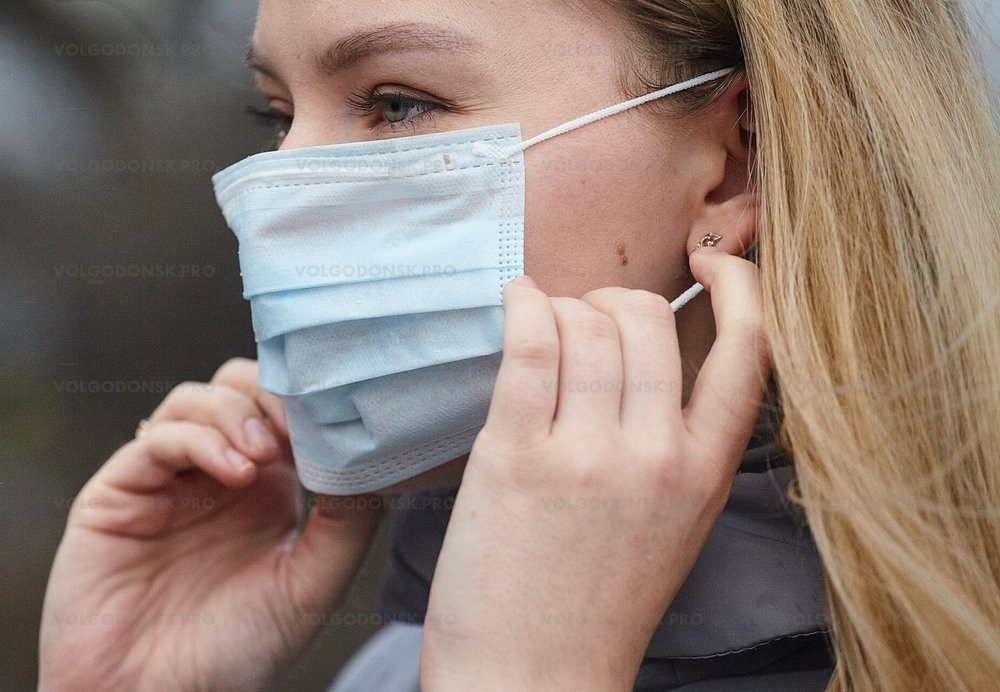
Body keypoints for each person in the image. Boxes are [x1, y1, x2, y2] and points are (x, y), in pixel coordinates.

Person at [39, 1, 999, 691]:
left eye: (396, 104)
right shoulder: (398, 664)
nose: (277, 199)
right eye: (278, 116)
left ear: (733, 162)